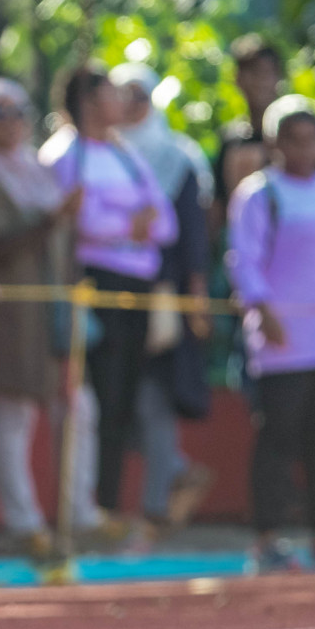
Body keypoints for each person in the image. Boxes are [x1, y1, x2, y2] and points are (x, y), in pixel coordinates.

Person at [0, 78, 104, 556]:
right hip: (10, 320)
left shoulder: (40, 172)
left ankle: (79, 512)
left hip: (53, 312)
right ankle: (24, 522)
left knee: (77, 407)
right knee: (15, 414)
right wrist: (49, 219)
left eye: (19, 111)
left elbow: (63, 240)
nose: (12, 122)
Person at [41, 64, 178, 522]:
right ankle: (83, 507)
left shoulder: (125, 153)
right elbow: (75, 223)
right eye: (110, 94)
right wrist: (127, 225)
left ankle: (111, 505)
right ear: (89, 103)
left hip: (135, 286)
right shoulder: (65, 154)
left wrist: (128, 226)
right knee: (94, 398)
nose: (121, 101)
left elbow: (165, 220)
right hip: (94, 285)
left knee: (122, 397)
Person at [227, 96, 315, 571]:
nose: (304, 150)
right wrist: (265, 311)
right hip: (283, 340)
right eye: (293, 140)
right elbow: (244, 258)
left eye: (312, 140)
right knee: (278, 436)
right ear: (274, 143)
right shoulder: (260, 194)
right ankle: (268, 538)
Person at [112, 63, 216, 535]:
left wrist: (194, 293)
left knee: (153, 394)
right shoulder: (100, 153)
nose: (131, 105)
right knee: (115, 395)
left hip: (160, 293)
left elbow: (193, 233)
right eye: (122, 94)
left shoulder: (178, 156)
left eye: (139, 95)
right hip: (111, 290)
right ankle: (174, 471)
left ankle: (156, 505)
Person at [212, 36, 283, 213]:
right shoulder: (231, 139)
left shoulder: (289, 137)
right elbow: (218, 202)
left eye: (266, 73)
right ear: (238, 79)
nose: (260, 82)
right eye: (252, 73)